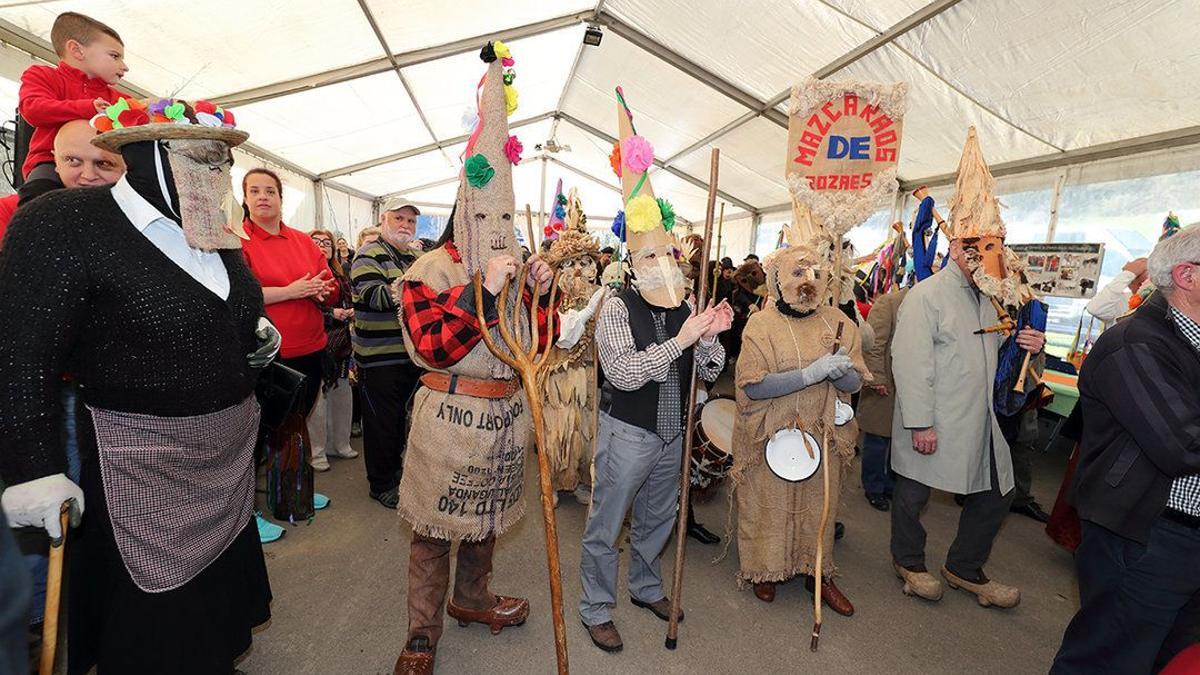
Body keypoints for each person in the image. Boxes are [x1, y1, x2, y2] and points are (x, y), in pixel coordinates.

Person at [0, 98, 277, 674]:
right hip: (140, 462)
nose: (219, 175)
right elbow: (22, 355)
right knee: (158, 621)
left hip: (225, 461)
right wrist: (34, 467)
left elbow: (211, 313)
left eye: (224, 161)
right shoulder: (65, 222)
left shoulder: (214, 235)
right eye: (205, 159)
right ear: (153, 157)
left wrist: (249, 334)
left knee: (213, 606)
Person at [391, 42, 552, 674]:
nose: (496, 225)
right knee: (433, 532)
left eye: (505, 216)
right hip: (449, 419)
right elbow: (431, 347)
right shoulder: (427, 270)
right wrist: (481, 288)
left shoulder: (516, 268)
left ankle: (473, 599)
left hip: (504, 416)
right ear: (464, 211)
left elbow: (536, 348)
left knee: (485, 522)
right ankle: (421, 633)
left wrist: (539, 294)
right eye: (486, 213)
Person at [578, 87, 730, 654]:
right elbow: (621, 373)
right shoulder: (617, 305)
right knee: (605, 523)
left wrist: (709, 338)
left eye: (667, 255)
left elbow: (706, 372)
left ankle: (644, 587)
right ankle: (596, 607)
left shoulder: (686, 306)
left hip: (672, 434)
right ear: (631, 262)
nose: (661, 264)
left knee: (657, 520)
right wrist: (682, 340)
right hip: (629, 432)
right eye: (649, 257)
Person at [889, 127, 1044, 608]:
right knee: (914, 495)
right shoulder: (926, 296)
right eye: (981, 246)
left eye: (996, 246)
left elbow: (1005, 361)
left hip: (981, 419)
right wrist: (919, 422)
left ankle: (964, 567)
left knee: (999, 491)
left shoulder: (993, 297)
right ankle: (909, 562)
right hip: (933, 417)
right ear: (958, 247)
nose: (991, 256)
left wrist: (1029, 347)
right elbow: (909, 362)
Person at [1051, 223, 1200, 674]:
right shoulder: (1136, 343)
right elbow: (1183, 444)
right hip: (1148, 535)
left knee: (1163, 655)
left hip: (1179, 535)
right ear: (1188, 276)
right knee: (1108, 658)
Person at [731, 212, 865, 615]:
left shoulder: (840, 322)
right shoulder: (760, 325)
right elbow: (752, 385)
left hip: (822, 433)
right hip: (771, 433)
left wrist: (842, 380)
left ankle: (817, 573)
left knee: (818, 507)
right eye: (797, 272)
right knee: (768, 504)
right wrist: (809, 374)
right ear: (777, 280)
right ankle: (765, 570)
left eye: (815, 272)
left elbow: (856, 383)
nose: (807, 280)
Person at [240, 167, 339, 471]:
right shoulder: (236, 241)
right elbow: (239, 297)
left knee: (296, 424)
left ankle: (292, 496)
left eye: (270, 191)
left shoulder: (303, 240)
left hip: (311, 348)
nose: (263, 197)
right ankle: (254, 504)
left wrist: (322, 292)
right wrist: (292, 291)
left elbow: (331, 287)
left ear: (281, 199)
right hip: (267, 355)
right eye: (254, 191)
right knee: (262, 429)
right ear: (244, 198)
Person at [350, 197, 422, 508]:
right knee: (382, 424)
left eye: (411, 221)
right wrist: (415, 284)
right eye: (399, 219)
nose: (405, 225)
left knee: (403, 422)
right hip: (379, 358)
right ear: (384, 221)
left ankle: (399, 475)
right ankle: (381, 484)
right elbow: (374, 296)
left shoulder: (414, 258)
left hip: (412, 356)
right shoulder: (369, 254)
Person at [541, 183, 607, 506]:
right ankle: (552, 481)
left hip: (588, 370)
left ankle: (579, 479)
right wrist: (586, 311)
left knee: (584, 428)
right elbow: (562, 334)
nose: (578, 268)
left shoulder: (601, 294)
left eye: (584, 261)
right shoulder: (552, 296)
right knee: (559, 429)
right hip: (558, 373)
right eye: (570, 263)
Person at [17, 12, 125, 203]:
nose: (124, 66)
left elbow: (145, 115)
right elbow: (33, 108)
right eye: (114, 56)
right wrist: (88, 108)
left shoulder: (119, 99)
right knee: (36, 202)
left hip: (105, 169)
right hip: (48, 164)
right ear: (77, 50)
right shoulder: (43, 75)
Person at [0, 118, 124, 245]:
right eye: (73, 161)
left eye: (104, 163)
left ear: (127, 166)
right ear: (56, 161)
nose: (88, 175)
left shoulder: (140, 220)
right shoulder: (8, 212)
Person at [308, 229, 359, 470]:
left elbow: (349, 298)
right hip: (315, 342)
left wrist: (349, 310)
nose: (322, 246)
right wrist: (331, 313)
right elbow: (303, 304)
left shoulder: (340, 273)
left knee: (342, 393)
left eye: (326, 242)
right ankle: (317, 452)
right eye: (316, 241)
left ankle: (340, 443)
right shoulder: (304, 272)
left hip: (341, 343)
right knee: (317, 400)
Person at [858, 282, 908, 511]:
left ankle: (890, 484)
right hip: (885, 382)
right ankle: (874, 487)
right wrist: (876, 378)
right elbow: (873, 344)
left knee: (899, 439)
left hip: (908, 386)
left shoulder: (930, 305)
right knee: (878, 438)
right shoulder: (889, 303)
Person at [1085, 213, 1178, 323]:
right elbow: (1094, 309)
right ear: (1131, 284)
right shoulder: (1122, 301)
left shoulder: (1171, 300)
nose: (1148, 283)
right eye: (1142, 280)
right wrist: (1128, 273)